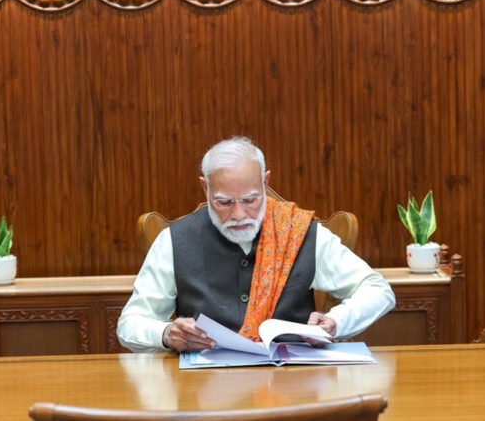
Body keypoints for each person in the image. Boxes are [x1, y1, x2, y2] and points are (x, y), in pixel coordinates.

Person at [117, 137, 395, 353]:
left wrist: (337, 321)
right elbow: (130, 323)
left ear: (265, 182)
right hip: (206, 390)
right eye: (224, 202)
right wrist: (167, 334)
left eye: (250, 199)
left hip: (294, 387)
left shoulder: (301, 232)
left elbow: (378, 290)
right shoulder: (174, 241)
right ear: (205, 188)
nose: (239, 214)